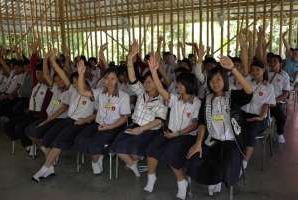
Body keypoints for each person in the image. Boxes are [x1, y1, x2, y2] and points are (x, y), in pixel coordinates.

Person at [186, 56, 253, 196]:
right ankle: (214, 180)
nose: (215, 83)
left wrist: (233, 69)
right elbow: (202, 123)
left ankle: (220, 179)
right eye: (211, 80)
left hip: (232, 143)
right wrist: (198, 143)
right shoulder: (207, 100)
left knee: (226, 167)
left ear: (224, 80)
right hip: (212, 142)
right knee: (195, 161)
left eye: (218, 79)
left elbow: (248, 92)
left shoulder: (232, 96)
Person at [144, 53, 201, 200]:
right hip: (170, 133)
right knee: (151, 148)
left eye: (181, 84)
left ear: (189, 85)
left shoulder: (196, 102)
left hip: (186, 136)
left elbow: (194, 124)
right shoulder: (174, 99)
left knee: (171, 152)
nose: (178, 86)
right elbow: (161, 89)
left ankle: (181, 182)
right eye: (178, 83)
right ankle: (151, 177)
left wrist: (177, 134)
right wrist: (154, 71)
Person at [112, 40, 167, 178]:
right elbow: (132, 77)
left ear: (157, 83)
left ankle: (135, 159)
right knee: (116, 146)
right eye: (145, 81)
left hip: (149, 131)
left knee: (135, 148)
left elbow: (159, 121)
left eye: (150, 81)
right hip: (135, 126)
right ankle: (133, 164)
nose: (146, 84)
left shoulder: (162, 99)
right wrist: (130, 58)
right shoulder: (141, 92)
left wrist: (141, 130)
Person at [73, 61, 131, 175]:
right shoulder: (100, 92)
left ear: (117, 80)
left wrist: (109, 127)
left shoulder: (124, 96)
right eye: (107, 78)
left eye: (113, 78)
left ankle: (96, 159)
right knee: (79, 139)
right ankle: (97, 156)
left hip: (114, 127)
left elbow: (124, 118)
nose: (109, 81)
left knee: (94, 145)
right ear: (103, 80)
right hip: (98, 125)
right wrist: (80, 74)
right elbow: (82, 91)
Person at [241, 59, 276, 169]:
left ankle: (245, 161)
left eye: (258, 70)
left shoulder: (269, 87)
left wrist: (261, 116)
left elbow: (267, 104)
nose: (255, 72)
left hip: (258, 117)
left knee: (251, 132)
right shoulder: (248, 83)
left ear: (263, 70)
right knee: (233, 128)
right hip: (243, 114)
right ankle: (236, 154)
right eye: (253, 70)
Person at [268, 54, 291, 143]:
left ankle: (280, 133)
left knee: (282, 117)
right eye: (271, 61)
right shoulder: (266, 73)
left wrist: (274, 101)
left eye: (275, 62)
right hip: (263, 100)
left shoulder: (285, 76)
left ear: (280, 64)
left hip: (275, 101)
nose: (272, 63)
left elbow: (285, 93)